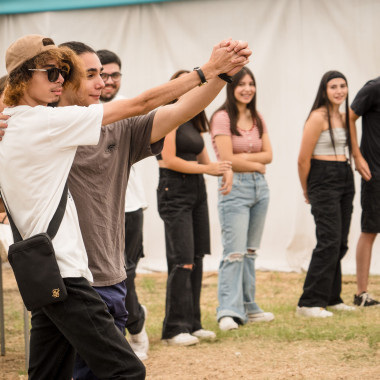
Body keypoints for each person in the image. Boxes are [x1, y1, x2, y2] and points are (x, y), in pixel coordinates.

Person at [0, 34, 250, 379]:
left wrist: (220, 74)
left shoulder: (15, 123)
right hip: (68, 276)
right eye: (55, 73)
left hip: (57, 276)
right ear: (24, 76)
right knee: (126, 371)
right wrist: (208, 69)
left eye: (63, 72)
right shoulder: (43, 123)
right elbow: (139, 103)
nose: (62, 80)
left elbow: (168, 111)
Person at [157, 69, 233, 346]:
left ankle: (193, 323)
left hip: (196, 191)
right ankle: (174, 329)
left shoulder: (194, 118)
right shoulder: (169, 116)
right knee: (183, 260)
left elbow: (205, 156)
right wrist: (207, 168)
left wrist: (223, 169)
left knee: (198, 257)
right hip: (173, 190)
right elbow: (168, 160)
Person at [210, 67, 274, 331]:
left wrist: (247, 161)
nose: (247, 88)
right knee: (233, 253)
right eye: (241, 84)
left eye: (251, 84)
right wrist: (255, 164)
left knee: (249, 252)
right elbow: (227, 161)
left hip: (260, 189)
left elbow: (269, 155)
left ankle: (249, 306)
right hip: (233, 188)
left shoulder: (257, 117)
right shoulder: (222, 117)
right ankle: (228, 310)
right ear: (231, 87)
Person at [97, 48, 150, 360]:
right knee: (103, 278)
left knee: (126, 274)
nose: (109, 80)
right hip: (97, 210)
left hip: (130, 207)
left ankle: (136, 328)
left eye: (115, 75)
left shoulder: (131, 108)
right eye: (102, 74)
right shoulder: (79, 109)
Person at [296, 70, 356, 318]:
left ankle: (332, 297)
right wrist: (306, 188)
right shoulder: (317, 117)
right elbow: (302, 159)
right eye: (333, 86)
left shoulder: (344, 117)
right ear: (324, 90)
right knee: (329, 239)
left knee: (340, 241)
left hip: (344, 174)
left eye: (343, 86)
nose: (339, 91)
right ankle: (308, 302)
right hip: (322, 177)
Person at [349, 76, 380, 307]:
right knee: (370, 230)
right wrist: (357, 156)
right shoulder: (374, 88)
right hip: (375, 173)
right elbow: (349, 118)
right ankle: (361, 294)